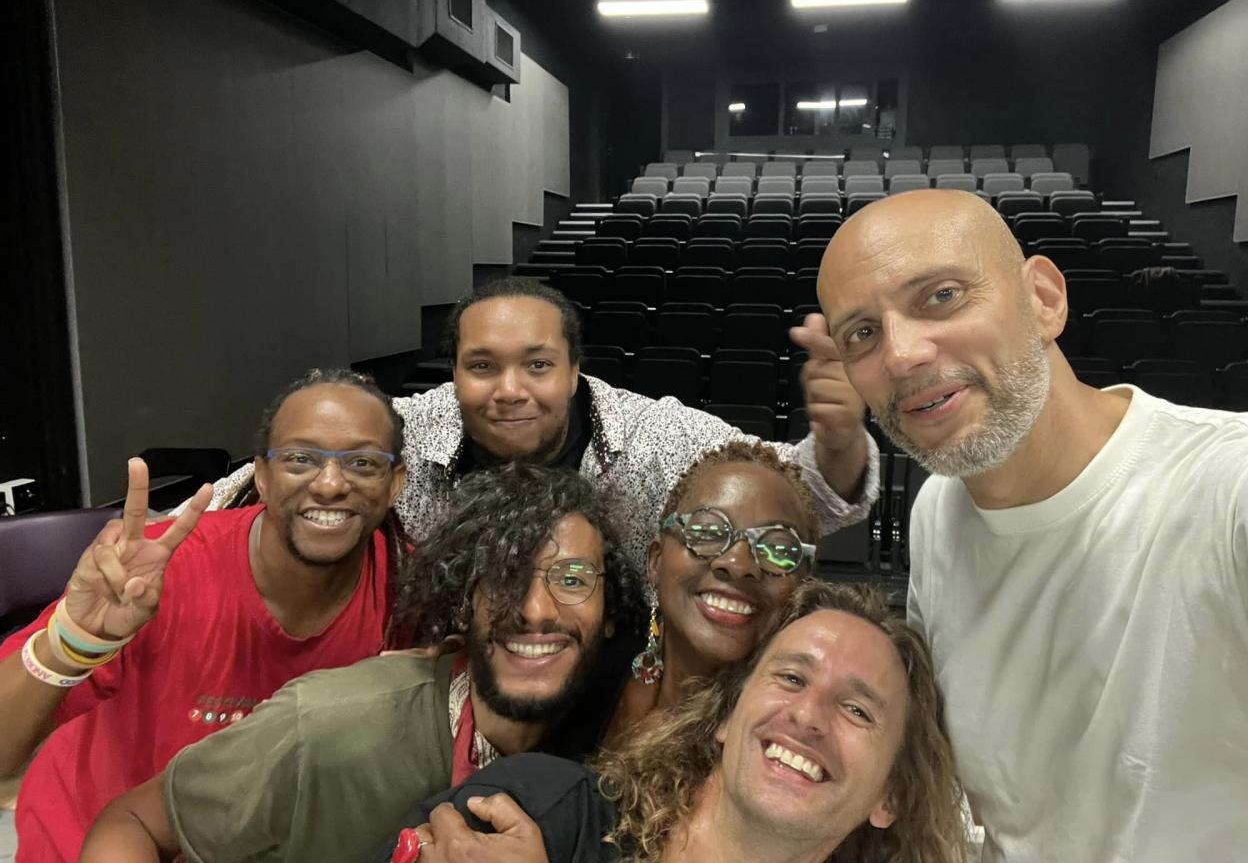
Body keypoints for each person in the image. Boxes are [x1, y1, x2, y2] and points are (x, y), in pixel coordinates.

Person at [816, 189, 1248, 862]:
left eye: (941, 296)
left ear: (1044, 299)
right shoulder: (937, 511)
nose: (901, 355)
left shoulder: (1246, 492)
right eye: (862, 334)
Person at [81, 463, 645, 863]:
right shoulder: (329, 725)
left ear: (610, 612)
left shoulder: (609, 745)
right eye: (503, 577)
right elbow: (133, 823)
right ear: (464, 600)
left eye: (574, 580)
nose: (535, 610)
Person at [0, 368, 410, 863]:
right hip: (92, 842)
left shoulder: (411, 592)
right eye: (300, 459)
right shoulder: (156, 575)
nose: (329, 484)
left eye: (363, 463)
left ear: (395, 483)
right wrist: (76, 639)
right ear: (261, 476)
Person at [200, 277, 880, 568]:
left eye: (537, 365)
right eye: (482, 367)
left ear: (575, 370)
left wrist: (840, 440)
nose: (509, 391)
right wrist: (164, 541)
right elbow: (268, 479)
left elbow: (804, 499)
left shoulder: (655, 437)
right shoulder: (408, 428)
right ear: (453, 372)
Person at [387, 579, 968, 863]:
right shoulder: (540, 812)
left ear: (890, 796)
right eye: (791, 678)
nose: (808, 716)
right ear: (727, 717)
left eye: (857, 710)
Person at [604, 439, 818, 744]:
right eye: (707, 532)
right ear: (656, 561)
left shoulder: (786, 740)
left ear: (804, 585)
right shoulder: (596, 672)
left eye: (777, 549)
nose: (738, 564)